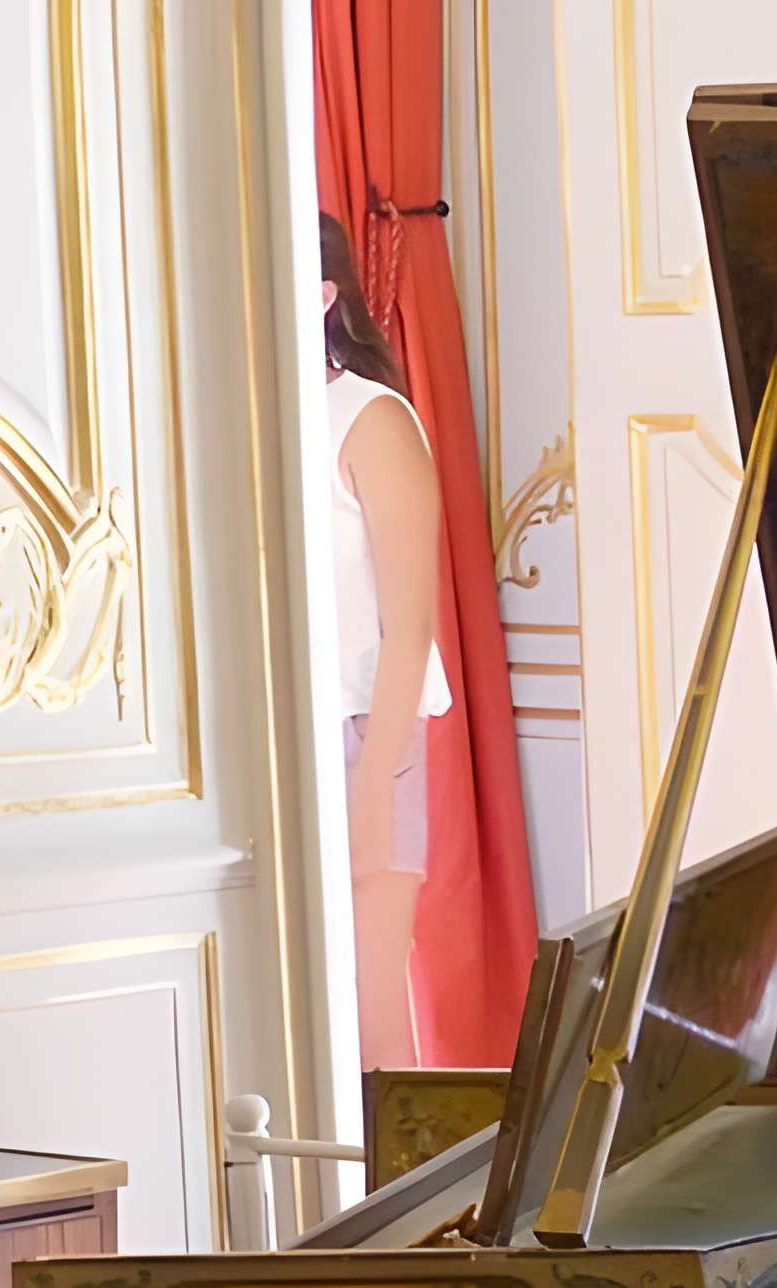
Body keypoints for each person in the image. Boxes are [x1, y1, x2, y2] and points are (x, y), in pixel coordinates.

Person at [319, 213, 450, 1069]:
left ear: (324, 297)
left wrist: (372, 790)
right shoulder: (241, 420)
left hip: (369, 729)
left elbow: (411, 629)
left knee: (371, 1019)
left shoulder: (370, 418)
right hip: (274, 740)